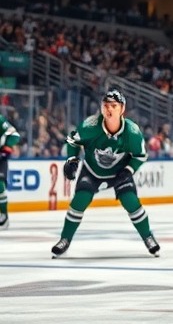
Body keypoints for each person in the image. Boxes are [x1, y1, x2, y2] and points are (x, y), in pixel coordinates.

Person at [51, 89, 160, 258]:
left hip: (119, 172)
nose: (109, 109)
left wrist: (128, 170)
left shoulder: (132, 132)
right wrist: (71, 159)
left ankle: (148, 237)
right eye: (106, 105)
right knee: (80, 199)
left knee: (130, 202)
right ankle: (64, 240)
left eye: (114, 106)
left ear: (122, 109)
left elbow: (141, 155)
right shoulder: (91, 125)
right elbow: (72, 140)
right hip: (92, 170)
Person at [0, 112, 21, 230]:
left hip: (0, 158)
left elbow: (15, 136)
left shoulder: (0, 120)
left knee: (0, 186)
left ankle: (4, 216)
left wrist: (6, 148)